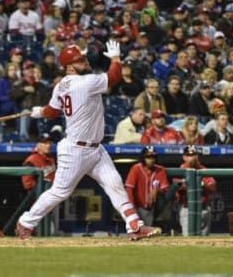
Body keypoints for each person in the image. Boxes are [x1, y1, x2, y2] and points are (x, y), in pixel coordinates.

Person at [15, 41, 162, 241]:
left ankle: (134, 226)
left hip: (96, 148)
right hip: (75, 149)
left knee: (114, 183)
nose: (85, 61)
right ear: (69, 66)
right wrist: (116, 58)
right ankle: (26, 222)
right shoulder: (86, 82)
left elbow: (51, 113)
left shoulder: (61, 85)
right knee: (59, 192)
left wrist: (39, 111)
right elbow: (115, 76)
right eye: (79, 60)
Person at [174, 145, 216, 236]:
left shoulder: (203, 169)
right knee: (188, 239)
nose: (192, 158)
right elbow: (178, 190)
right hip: (187, 209)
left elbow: (212, 186)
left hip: (204, 209)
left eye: (194, 155)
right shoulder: (180, 171)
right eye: (189, 155)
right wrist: (201, 184)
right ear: (184, 157)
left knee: (204, 242)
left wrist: (201, 184)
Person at [125, 146, 170, 227]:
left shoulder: (160, 170)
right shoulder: (136, 169)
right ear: (143, 158)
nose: (151, 159)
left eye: (153, 157)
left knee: (148, 234)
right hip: (137, 207)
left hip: (150, 209)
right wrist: (132, 208)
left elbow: (165, 188)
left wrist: (157, 190)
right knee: (135, 231)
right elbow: (129, 189)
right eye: (148, 157)